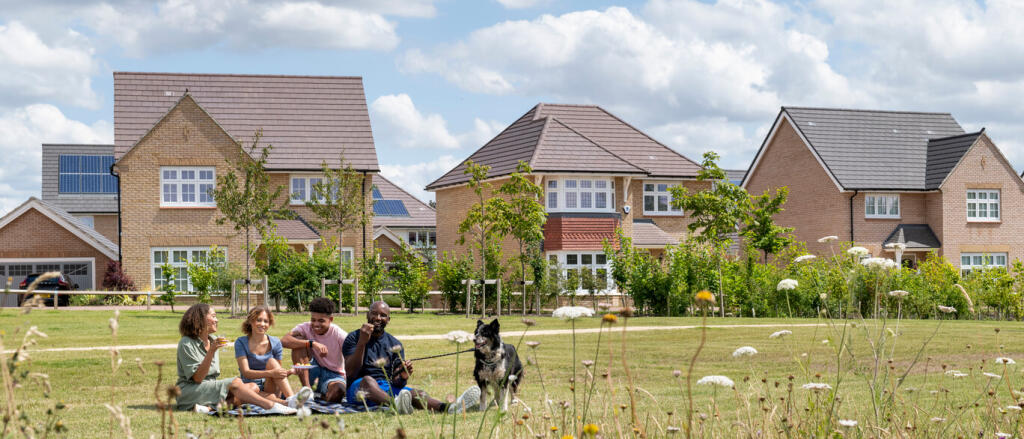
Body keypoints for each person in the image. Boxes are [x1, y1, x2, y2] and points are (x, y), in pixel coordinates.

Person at [343, 301, 479, 414]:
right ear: (367, 315)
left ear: (388, 320)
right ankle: (396, 404)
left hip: (385, 388)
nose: (378, 318)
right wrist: (362, 342)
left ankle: (448, 408)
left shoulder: (395, 344)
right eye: (374, 313)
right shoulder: (353, 338)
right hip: (358, 389)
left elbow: (396, 383)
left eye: (383, 315)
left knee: (416, 393)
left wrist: (402, 376)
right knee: (368, 381)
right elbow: (350, 372)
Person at [175, 303, 296, 415]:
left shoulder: (212, 339)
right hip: (190, 391)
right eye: (213, 316)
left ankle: (208, 409)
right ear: (200, 319)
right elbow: (197, 378)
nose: (217, 320)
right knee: (236, 382)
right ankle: (271, 406)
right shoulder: (187, 343)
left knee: (252, 387)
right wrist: (211, 351)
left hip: (209, 388)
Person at [234, 305, 312, 407]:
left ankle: (290, 397)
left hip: (271, 385)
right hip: (251, 386)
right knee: (252, 392)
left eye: (266, 321)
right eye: (259, 320)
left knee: (271, 362)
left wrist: (289, 372)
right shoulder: (241, 342)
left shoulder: (275, 342)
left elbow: (278, 373)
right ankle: (289, 403)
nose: (262, 324)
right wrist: (271, 373)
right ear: (251, 321)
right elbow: (246, 373)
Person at [281, 297, 347, 403]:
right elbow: (284, 341)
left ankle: (319, 396)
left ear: (330, 320)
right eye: (313, 320)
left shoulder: (339, 334)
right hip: (312, 370)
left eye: (321, 321)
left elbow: (352, 357)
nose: (316, 324)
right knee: (298, 342)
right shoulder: (305, 327)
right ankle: (307, 390)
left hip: (334, 375)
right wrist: (312, 343)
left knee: (338, 392)